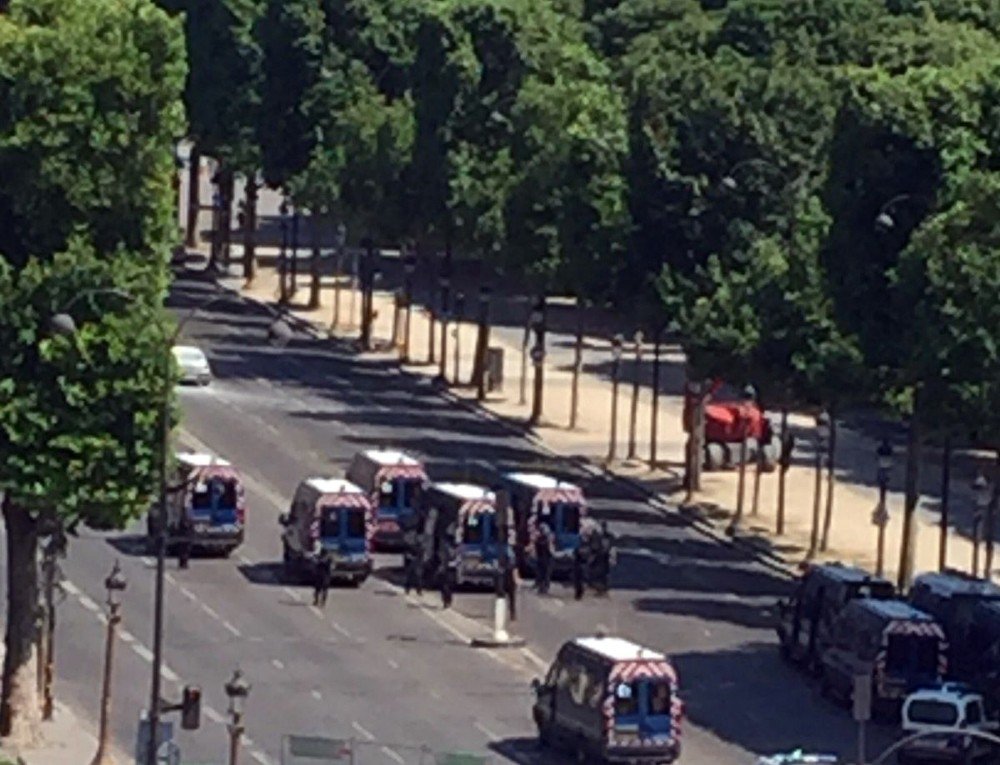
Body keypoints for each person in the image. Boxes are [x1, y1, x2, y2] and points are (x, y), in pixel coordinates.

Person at [403, 525, 424, 596]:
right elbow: (407, 545)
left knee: (416, 574)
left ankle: (417, 589)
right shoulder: (412, 535)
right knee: (412, 574)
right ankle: (409, 588)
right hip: (412, 555)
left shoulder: (419, 535)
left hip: (416, 555)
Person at [440, 528, 457, 609]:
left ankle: (446, 601)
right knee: (448, 585)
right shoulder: (453, 547)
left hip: (447, 568)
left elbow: (444, 558)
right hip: (451, 568)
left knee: (445, 585)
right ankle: (447, 601)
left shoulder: (445, 547)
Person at [535, 523, 553, 595]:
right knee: (544, 574)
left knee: (544, 574)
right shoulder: (542, 540)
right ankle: (543, 587)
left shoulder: (542, 540)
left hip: (544, 558)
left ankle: (543, 587)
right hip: (544, 558)